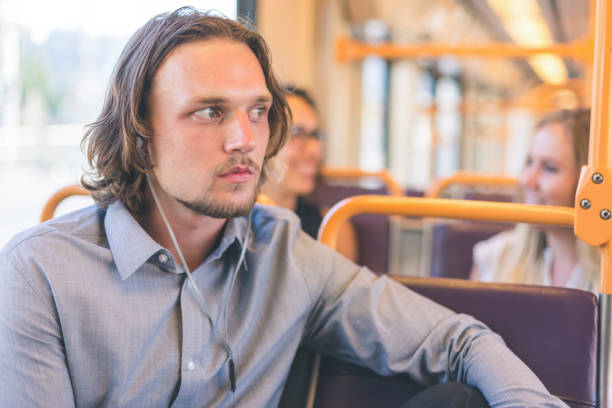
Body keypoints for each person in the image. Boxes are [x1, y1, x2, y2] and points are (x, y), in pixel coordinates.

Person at [0, 7, 566, 407]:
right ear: (140, 132)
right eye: (210, 112)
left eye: (258, 111)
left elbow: (458, 341)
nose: (244, 138)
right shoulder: (42, 273)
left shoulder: (286, 255)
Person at [471, 108, 599, 293]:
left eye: (549, 168)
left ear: (591, 183)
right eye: (529, 162)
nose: (527, 181)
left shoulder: (604, 278)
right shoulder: (494, 259)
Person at [261, 85, 357, 261]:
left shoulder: (333, 229)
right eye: (297, 134)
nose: (316, 150)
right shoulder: (226, 228)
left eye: (315, 135)